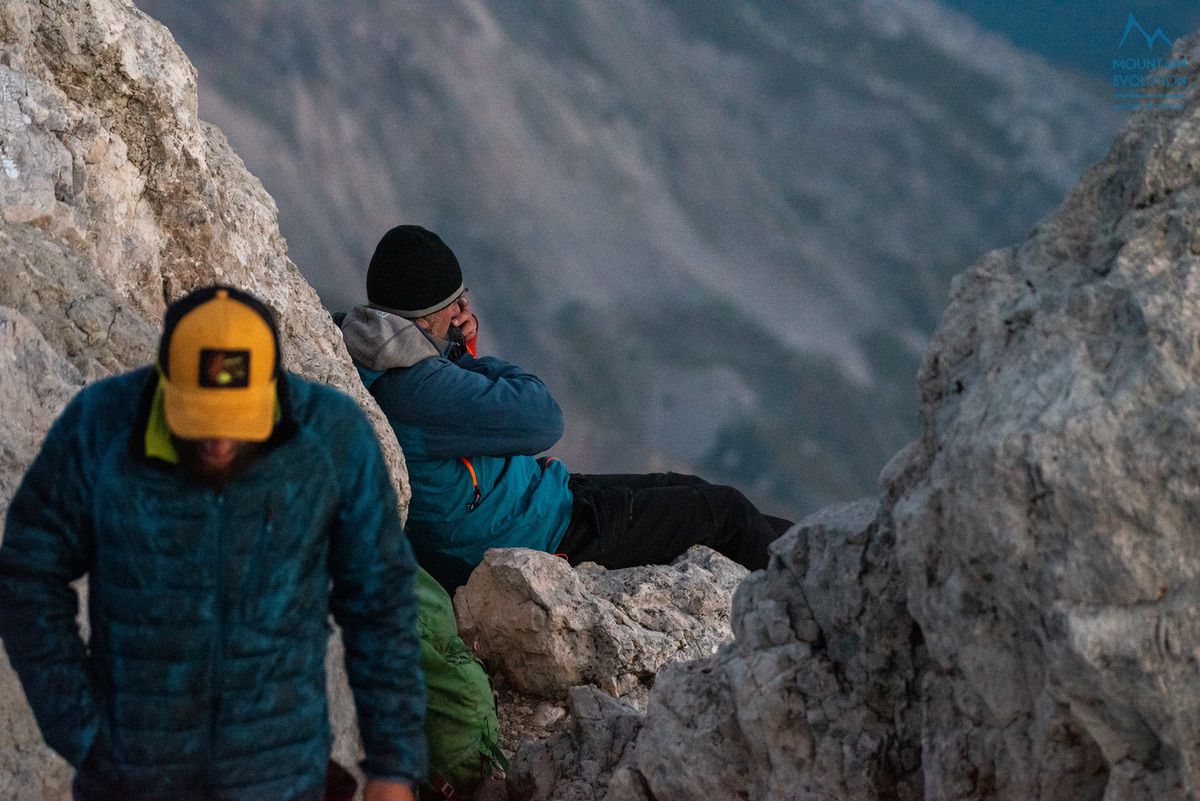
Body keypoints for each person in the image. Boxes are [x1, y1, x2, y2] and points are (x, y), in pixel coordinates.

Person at [0, 286, 425, 801]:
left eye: (236, 424)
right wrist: (84, 733)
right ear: (165, 383)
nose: (220, 443)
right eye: (202, 424)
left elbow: (380, 601)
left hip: (280, 778)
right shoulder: (102, 427)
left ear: (272, 392)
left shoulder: (331, 439)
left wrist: (394, 764)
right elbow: (28, 572)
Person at [339, 225, 793, 591]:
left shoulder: (368, 356)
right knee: (725, 512)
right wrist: (462, 351)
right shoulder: (421, 387)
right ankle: (813, 594)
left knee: (688, 489)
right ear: (423, 319)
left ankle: (815, 554)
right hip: (547, 534)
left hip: (537, 502)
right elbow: (542, 417)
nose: (463, 307)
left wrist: (449, 349)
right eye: (454, 303)